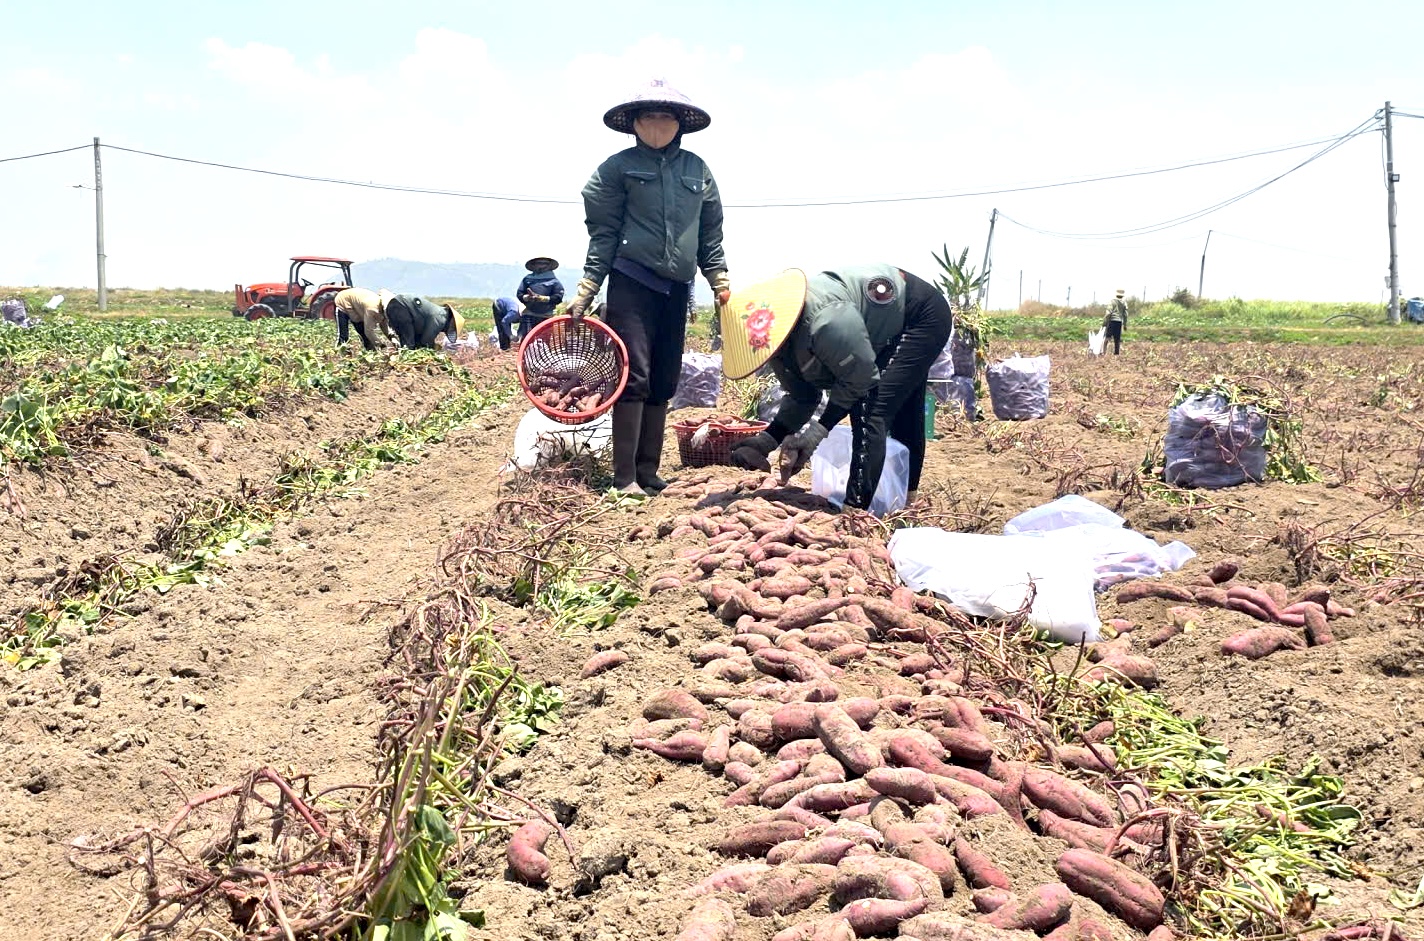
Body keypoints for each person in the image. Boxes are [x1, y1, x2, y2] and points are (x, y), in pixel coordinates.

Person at [568, 79, 732, 495]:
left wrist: (720, 280)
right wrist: (587, 288)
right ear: (634, 124)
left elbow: (710, 233)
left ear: (679, 123)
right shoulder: (617, 168)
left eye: (666, 116)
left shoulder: (697, 170)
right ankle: (625, 479)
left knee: (664, 377)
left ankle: (649, 471)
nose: (657, 124)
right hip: (632, 282)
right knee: (634, 374)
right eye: (648, 117)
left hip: (678, 287)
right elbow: (602, 233)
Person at [723, 265, 954, 510]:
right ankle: (905, 501)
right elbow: (803, 396)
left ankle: (856, 509)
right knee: (903, 411)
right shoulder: (778, 345)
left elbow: (860, 379)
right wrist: (769, 439)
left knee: (872, 408)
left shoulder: (827, 321)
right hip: (882, 330)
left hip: (919, 315)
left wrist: (817, 433)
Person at [380, 291, 463, 349]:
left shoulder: (440, 314)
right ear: (451, 321)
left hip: (396, 306)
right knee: (409, 344)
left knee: (407, 341)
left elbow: (420, 337)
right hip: (401, 307)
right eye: (452, 328)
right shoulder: (440, 318)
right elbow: (426, 339)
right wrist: (433, 346)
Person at [516, 257, 565, 338]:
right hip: (529, 313)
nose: (542, 266)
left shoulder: (554, 281)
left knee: (544, 339)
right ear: (534, 265)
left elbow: (558, 297)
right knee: (525, 339)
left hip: (546, 315)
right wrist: (527, 297)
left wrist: (542, 298)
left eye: (544, 263)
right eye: (539, 263)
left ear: (549, 266)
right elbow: (520, 294)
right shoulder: (527, 279)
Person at [1103, 289, 1128, 355]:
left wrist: (1105, 323)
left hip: (1112, 321)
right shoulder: (1124, 303)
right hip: (1119, 322)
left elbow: (1108, 313)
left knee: (1107, 338)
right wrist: (1125, 325)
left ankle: (1104, 353)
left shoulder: (1112, 301)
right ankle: (1116, 354)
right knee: (1117, 339)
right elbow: (1125, 315)